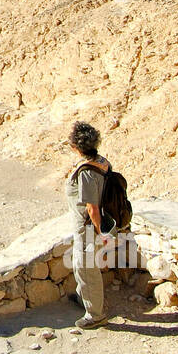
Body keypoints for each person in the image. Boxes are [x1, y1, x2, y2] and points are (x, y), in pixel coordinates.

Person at [65, 120, 112, 329]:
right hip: (96, 226)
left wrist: (101, 231)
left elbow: (92, 207)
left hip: (88, 229)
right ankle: (83, 296)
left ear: (76, 147)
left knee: (85, 268)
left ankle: (95, 314)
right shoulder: (102, 162)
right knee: (81, 265)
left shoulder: (86, 172)